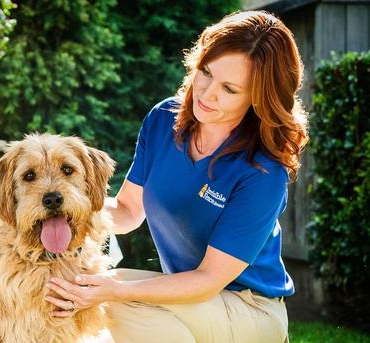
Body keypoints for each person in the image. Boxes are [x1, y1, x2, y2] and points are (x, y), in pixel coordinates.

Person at [44, 10, 308, 343]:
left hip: (250, 308)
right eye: (206, 72)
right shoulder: (163, 120)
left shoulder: (263, 170)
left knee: (111, 298)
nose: (207, 93)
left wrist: (114, 290)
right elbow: (127, 211)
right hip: (189, 301)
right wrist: (65, 207)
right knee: (89, 287)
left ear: (258, 98)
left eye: (229, 89)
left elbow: (209, 279)